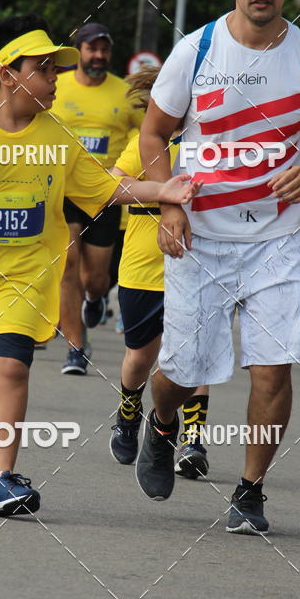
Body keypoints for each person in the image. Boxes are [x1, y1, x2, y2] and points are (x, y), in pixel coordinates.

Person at [0, 15, 200, 517]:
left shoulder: (57, 134)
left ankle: (2, 477)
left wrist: (161, 189)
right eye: (45, 68)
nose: (56, 78)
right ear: (9, 73)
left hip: (28, 274)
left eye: (57, 69)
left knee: (11, 365)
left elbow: (102, 188)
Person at [137, 0, 300, 533]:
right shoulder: (197, 49)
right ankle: (161, 426)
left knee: (273, 367)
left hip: (276, 241)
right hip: (201, 238)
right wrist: (169, 202)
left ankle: (249, 490)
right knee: (181, 372)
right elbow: (155, 132)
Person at [111, 68, 211, 476]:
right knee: (140, 356)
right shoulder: (146, 147)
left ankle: (193, 440)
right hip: (142, 268)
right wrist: (159, 193)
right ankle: (129, 413)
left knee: (196, 357)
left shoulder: (210, 148)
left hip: (197, 266)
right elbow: (113, 186)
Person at [52, 22, 144, 374]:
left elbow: (147, 135)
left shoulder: (125, 93)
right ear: (79, 52)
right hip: (64, 190)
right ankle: (76, 347)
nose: (99, 56)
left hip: (106, 193)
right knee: (68, 262)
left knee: (96, 276)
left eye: (105, 50)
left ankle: (95, 297)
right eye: (93, 49)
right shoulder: (56, 89)